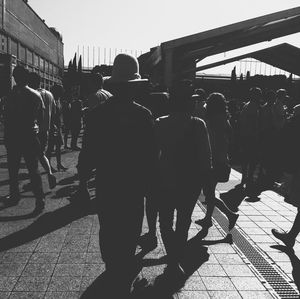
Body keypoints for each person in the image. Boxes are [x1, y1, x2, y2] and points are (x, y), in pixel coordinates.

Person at [77, 53, 157, 296]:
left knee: (109, 227)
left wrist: (82, 184)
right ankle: (123, 268)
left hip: (107, 183)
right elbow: (152, 156)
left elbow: (87, 154)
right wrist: (152, 186)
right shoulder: (143, 115)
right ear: (133, 86)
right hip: (134, 185)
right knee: (131, 227)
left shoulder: (96, 115)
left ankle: (112, 266)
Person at [155, 80, 214, 280]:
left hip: (165, 180)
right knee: (183, 222)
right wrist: (207, 185)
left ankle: (172, 258)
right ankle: (175, 261)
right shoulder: (198, 125)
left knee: (164, 222)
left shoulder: (160, 123)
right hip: (190, 181)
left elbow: (153, 155)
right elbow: (206, 158)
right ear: (188, 103)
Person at [1, 66, 45, 212]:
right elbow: (41, 118)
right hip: (30, 135)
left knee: (13, 169)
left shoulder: (9, 96)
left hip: (13, 136)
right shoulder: (36, 95)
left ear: (15, 77)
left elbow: (5, 118)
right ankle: (40, 199)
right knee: (33, 169)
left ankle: (15, 195)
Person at [195, 93, 239, 231]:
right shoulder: (224, 119)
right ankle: (209, 219)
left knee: (209, 192)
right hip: (220, 158)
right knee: (209, 192)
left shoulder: (213, 120)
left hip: (213, 160)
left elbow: (212, 141)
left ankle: (229, 215)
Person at [272, 104, 300, 247]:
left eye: (295, 112)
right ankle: (290, 236)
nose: (292, 114)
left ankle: (290, 237)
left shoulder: (294, 127)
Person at [28, 72, 56, 188]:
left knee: (32, 156)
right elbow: (54, 111)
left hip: (34, 130)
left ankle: (34, 180)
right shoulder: (49, 94)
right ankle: (49, 173)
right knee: (41, 153)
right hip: (46, 129)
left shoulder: (33, 95)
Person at [239, 87, 262, 190]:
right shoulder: (254, 107)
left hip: (245, 135)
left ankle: (245, 176)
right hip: (252, 136)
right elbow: (254, 123)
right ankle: (249, 176)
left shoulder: (246, 105)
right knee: (252, 158)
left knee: (245, 157)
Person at [47, 84, 67, 171]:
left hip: (58, 126)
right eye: (61, 91)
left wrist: (62, 124)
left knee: (58, 146)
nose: (63, 93)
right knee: (50, 147)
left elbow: (60, 114)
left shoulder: (58, 100)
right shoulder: (51, 99)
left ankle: (59, 164)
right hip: (52, 126)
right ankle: (49, 166)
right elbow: (50, 114)